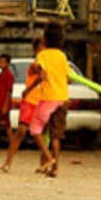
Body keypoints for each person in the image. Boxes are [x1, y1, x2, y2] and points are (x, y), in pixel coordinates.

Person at [28, 22, 69, 178]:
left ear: (44, 39)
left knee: (35, 129)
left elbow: (38, 69)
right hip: (62, 97)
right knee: (56, 135)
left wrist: (35, 69)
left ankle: (48, 157)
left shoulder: (43, 54)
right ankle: (55, 168)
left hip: (48, 97)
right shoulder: (62, 55)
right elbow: (67, 76)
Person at [1, 37, 44, 172]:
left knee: (40, 134)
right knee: (21, 131)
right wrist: (27, 90)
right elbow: (41, 75)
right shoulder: (36, 64)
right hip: (31, 100)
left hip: (41, 100)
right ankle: (8, 162)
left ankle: (44, 163)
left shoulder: (46, 62)